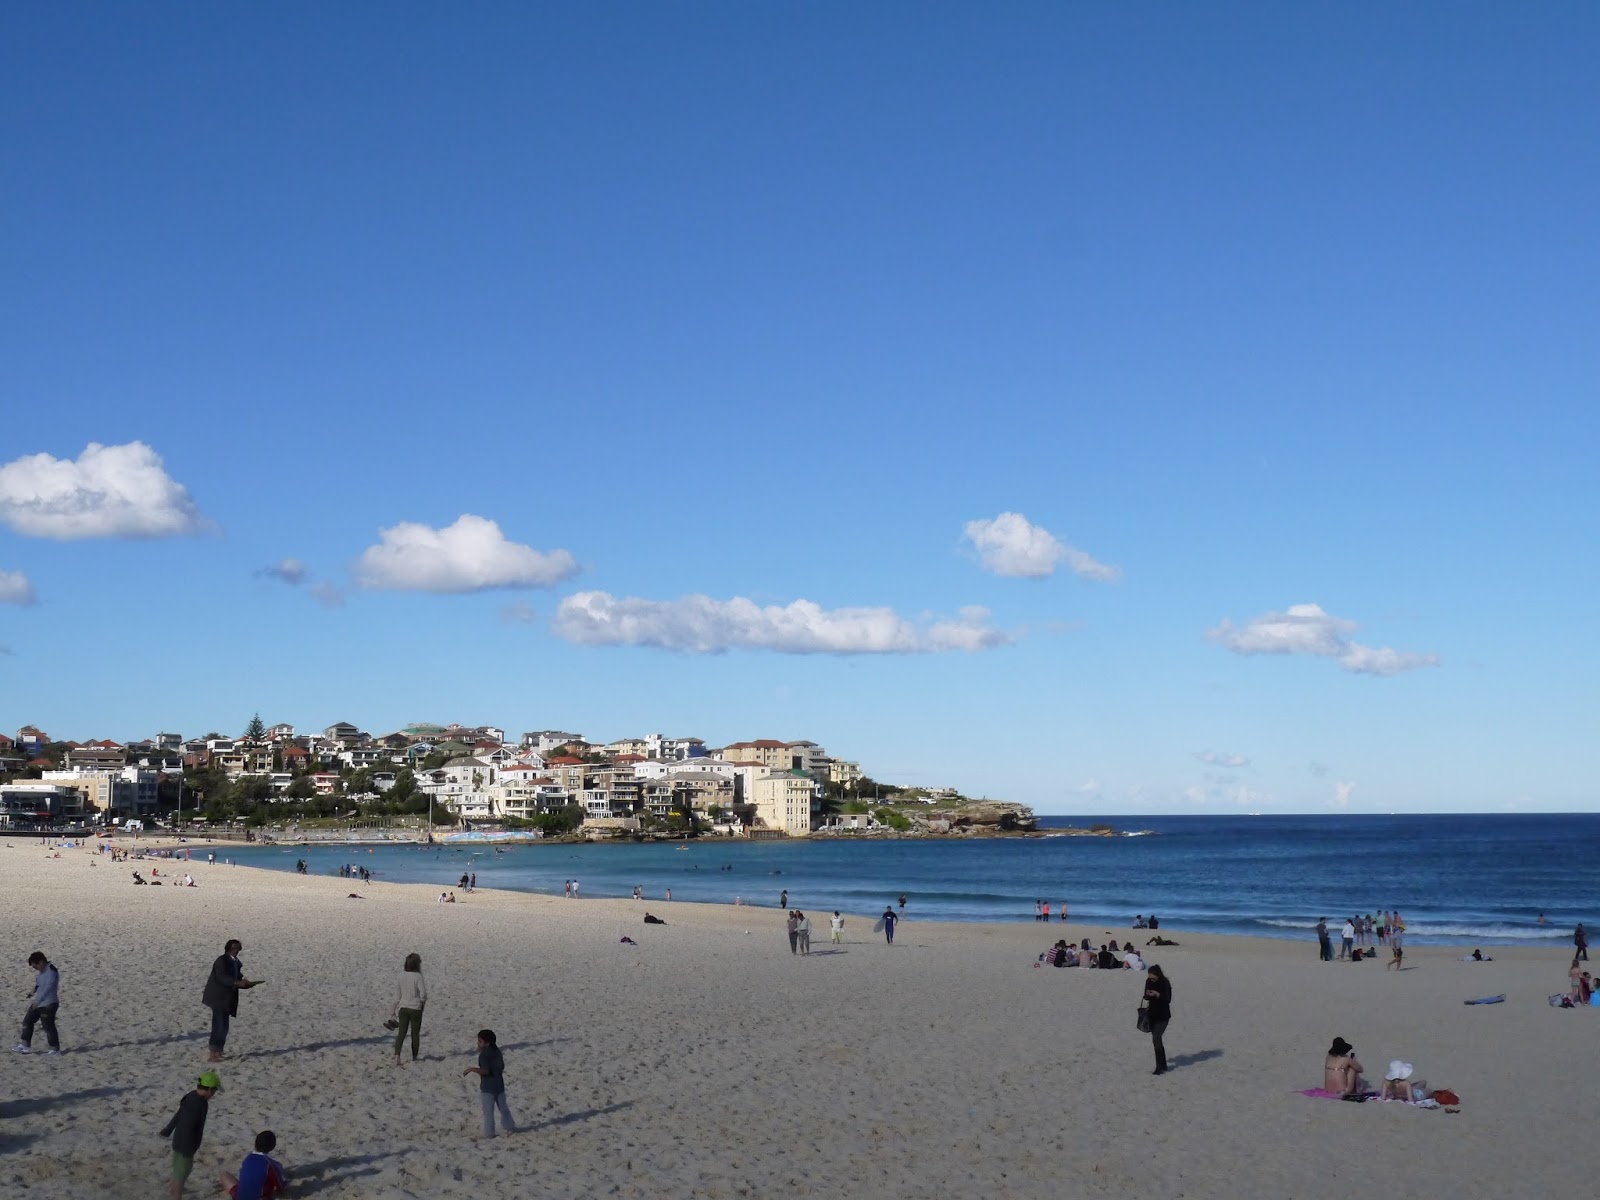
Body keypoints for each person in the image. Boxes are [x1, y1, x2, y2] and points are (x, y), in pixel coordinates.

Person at [160, 1071, 221, 1200]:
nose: (213, 1095)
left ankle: (174, 1186)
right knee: (183, 1171)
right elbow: (189, 1126)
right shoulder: (199, 1104)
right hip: (186, 1144)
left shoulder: (190, 1096)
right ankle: (176, 1195)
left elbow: (179, 1114)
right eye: (214, 1092)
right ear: (209, 1089)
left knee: (178, 1167)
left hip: (178, 1140)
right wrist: (190, 1147)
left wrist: (168, 1129)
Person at [202, 939, 260, 1062]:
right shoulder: (221, 960)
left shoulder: (235, 962)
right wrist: (237, 982)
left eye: (238, 948)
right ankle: (213, 1053)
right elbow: (222, 977)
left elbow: (237, 976)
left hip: (227, 998)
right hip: (218, 997)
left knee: (224, 1026)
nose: (236, 951)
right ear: (228, 948)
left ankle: (219, 1050)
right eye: (234, 948)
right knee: (218, 1025)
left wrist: (245, 983)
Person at [464, 1028, 517, 1138]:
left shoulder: (483, 1055)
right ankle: (510, 1126)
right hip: (499, 1086)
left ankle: (489, 1133)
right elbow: (501, 1066)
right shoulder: (497, 1052)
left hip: (488, 1088)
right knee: (503, 1108)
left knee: (488, 1112)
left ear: (487, 1043)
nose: (478, 1043)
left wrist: (472, 1069)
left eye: (480, 1041)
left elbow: (486, 1071)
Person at [219, 1130, 287, 1200]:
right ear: (273, 1146)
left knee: (223, 1174)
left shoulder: (247, 1159)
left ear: (255, 1144)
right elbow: (281, 1187)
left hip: (239, 1197)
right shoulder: (271, 1165)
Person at [16, 950, 61, 1055]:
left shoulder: (52, 972)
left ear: (41, 962)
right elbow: (39, 983)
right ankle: (25, 1045)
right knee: (27, 1021)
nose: (34, 968)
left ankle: (55, 1049)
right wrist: (33, 991)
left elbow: (47, 989)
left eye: (34, 966)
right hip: (39, 1002)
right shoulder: (43, 971)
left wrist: (37, 1001)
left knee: (48, 1027)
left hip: (49, 1003)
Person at [391, 952, 427, 1066]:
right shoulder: (418, 976)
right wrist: (422, 1005)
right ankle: (414, 1056)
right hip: (415, 1008)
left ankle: (397, 1055)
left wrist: (392, 1010)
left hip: (403, 1008)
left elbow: (397, 997)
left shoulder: (400, 976)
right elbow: (423, 995)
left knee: (401, 1033)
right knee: (415, 1034)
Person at [1144, 965, 1172, 1075]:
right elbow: (1145, 996)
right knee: (1156, 1040)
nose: (1152, 980)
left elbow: (1168, 999)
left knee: (1156, 1038)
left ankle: (1159, 1067)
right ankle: (1163, 1065)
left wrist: (1158, 994)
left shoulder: (1165, 982)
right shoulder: (1148, 981)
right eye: (1150, 978)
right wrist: (1147, 994)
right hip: (1152, 1014)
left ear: (1158, 975)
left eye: (1153, 978)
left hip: (1163, 1015)